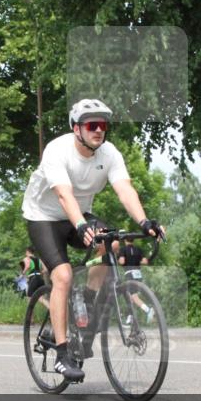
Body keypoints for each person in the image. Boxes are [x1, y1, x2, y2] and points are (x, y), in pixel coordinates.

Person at [22, 98, 164, 382]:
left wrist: (144, 221)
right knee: (62, 276)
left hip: (79, 214)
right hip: (44, 217)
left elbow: (125, 189)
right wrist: (81, 224)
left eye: (103, 125)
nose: (99, 130)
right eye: (92, 125)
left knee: (109, 243)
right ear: (77, 129)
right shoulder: (57, 150)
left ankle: (85, 302)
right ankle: (62, 355)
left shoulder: (109, 153)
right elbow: (64, 195)